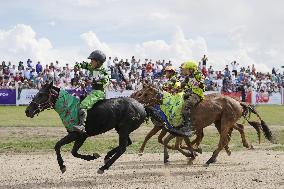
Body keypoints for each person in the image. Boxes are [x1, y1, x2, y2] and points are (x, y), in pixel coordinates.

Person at [73, 50, 109, 133]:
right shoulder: (92, 66)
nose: (90, 62)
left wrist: (89, 81)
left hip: (99, 93)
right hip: (93, 91)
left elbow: (104, 81)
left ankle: (82, 126)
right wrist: (77, 66)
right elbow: (83, 64)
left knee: (83, 104)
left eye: (92, 60)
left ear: (98, 62)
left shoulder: (104, 72)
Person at [178, 61, 205, 136]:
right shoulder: (188, 77)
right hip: (190, 93)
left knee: (186, 105)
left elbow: (202, 77)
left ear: (191, 69)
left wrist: (201, 82)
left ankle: (188, 125)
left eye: (186, 69)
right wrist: (177, 89)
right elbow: (183, 84)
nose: (185, 71)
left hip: (197, 94)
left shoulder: (198, 74)